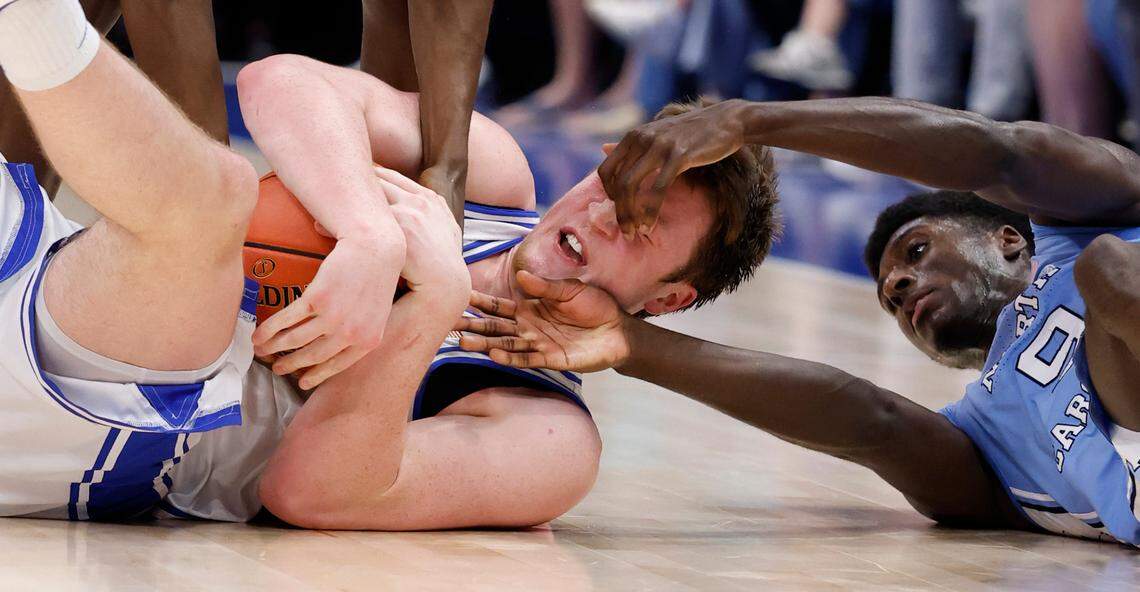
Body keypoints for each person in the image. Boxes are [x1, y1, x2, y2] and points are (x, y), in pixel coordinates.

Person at [460, 96, 1140, 544]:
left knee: (1107, 269)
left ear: (1007, 238)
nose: (901, 285)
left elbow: (1004, 153)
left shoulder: (1096, 218)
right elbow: (869, 421)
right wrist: (632, 344)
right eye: (890, 297)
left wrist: (751, 122)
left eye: (918, 251)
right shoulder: (991, 448)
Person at [143, 56, 782, 529]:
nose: (605, 214)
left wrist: (435, 297)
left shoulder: (550, 439)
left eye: (645, 227)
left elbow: (310, 494)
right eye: (620, 182)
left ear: (668, 299)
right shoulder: (489, 178)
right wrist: (370, 235)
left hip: (130, 434)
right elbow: (278, 82)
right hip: (113, 286)